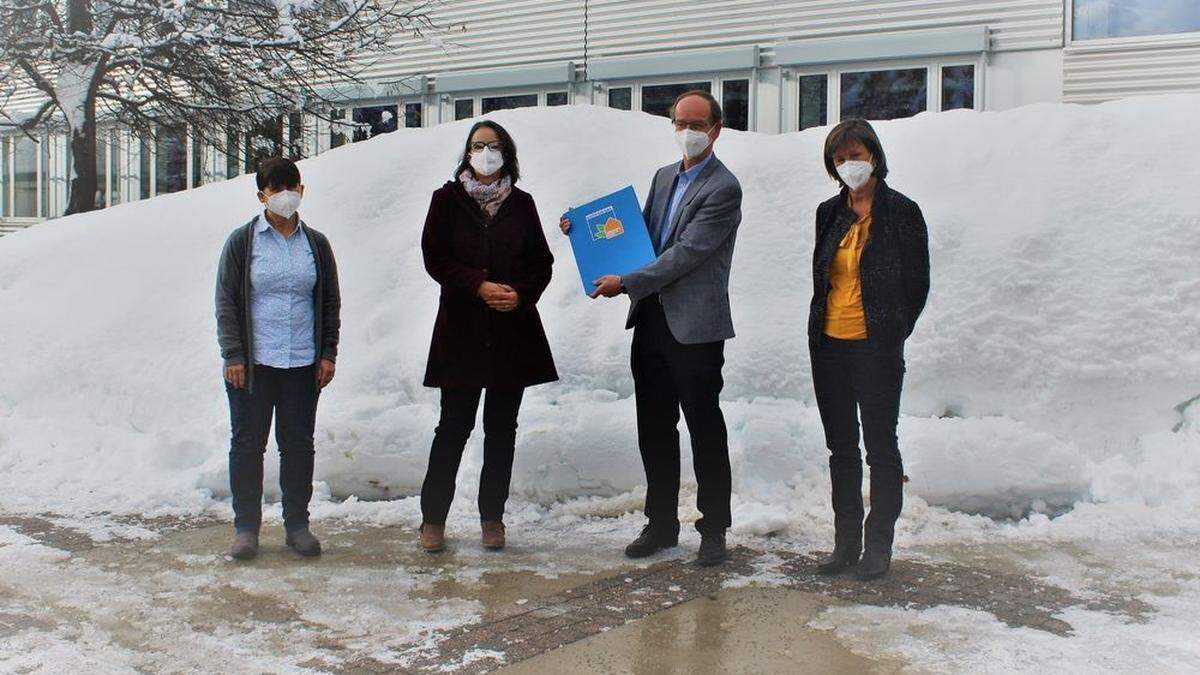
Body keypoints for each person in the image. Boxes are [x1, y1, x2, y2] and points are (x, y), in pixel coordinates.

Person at [560, 90, 742, 566]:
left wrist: (627, 281)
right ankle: (661, 523)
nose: (688, 132)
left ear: (717, 129)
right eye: (681, 123)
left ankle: (714, 529)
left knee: (704, 427)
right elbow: (634, 235)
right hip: (652, 321)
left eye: (698, 124)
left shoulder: (724, 188)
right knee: (654, 426)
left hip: (696, 328)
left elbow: (685, 254)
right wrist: (581, 229)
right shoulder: (663, 178)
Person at [418, 120, 558, 553]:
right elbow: (434, 257)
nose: (486, 153)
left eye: (494, 146)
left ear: (507, 154)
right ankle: (433, 520)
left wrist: (519, 295)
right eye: (478, 146)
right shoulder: (446, 200)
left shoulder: (522, 203)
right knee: (453, 427)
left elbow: (542, 262)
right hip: (461, 332)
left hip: (510, 333)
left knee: (501, 429)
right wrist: (477, 284)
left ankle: (492, 518)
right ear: (467, 153)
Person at [809, 119, 930, 581]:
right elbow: (823, 277)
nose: (848, 166)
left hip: (876, 348)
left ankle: (878, 545)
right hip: (829, 345)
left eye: (856, 156)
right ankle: (845, 543)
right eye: (840, 160)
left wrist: (892, 331)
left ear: (874, 156)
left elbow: (917, 284)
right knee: (840, 447)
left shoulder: (903, 211)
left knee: (880, 447)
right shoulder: (828, 212)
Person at [215, 156, 341, 561]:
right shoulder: (243, 241)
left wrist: (327, 353)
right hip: (254, 365)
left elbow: (330, 303)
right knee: (248, 445)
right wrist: (233, 354)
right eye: (275, 189)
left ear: (301, 191)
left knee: (298, 445)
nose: (285, 195)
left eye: (292, 187)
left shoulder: (316, 245)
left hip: (303, 363)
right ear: (261, 196)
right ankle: (246, 528)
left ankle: (297, 526)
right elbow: (227, 303)